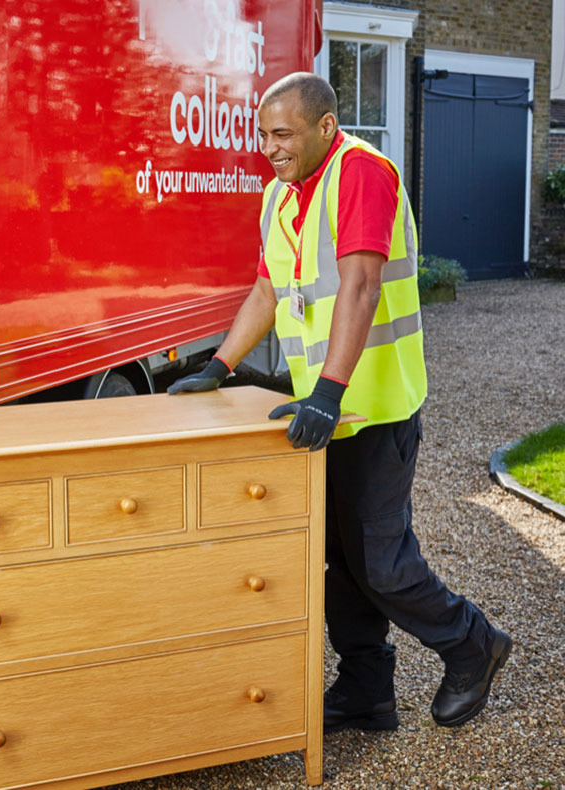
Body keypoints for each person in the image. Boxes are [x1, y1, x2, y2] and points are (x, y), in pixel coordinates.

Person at [168, 73, 510, 733]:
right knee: (340, 562)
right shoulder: (279, 196)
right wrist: (217, 366)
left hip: (373, 408)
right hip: (325, 414)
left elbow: (360, 285)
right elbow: (267, 292)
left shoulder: (361, 173)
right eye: (264, 134)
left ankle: (473, 643)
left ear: (325, 126)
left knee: (382, 562)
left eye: (283, 133)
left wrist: (328, 391)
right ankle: (365, 690)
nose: (269, 146)